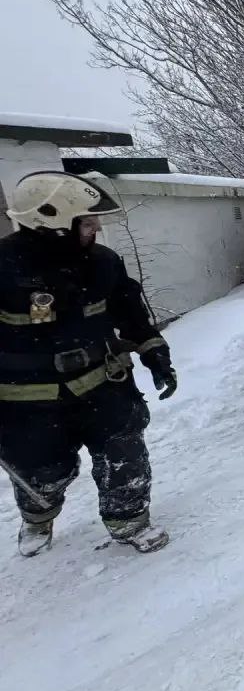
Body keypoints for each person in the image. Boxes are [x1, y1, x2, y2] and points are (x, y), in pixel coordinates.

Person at [0, 171, 177, 557]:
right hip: (25, 398)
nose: (95, 226)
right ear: (52, 222)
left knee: (124, 454)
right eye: (86, 220)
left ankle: (129, 521)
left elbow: (130, 313)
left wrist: (154, 352)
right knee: (42, 473)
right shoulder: (3, 266)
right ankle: (37, 516)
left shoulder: (102, 262)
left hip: (103, 381)